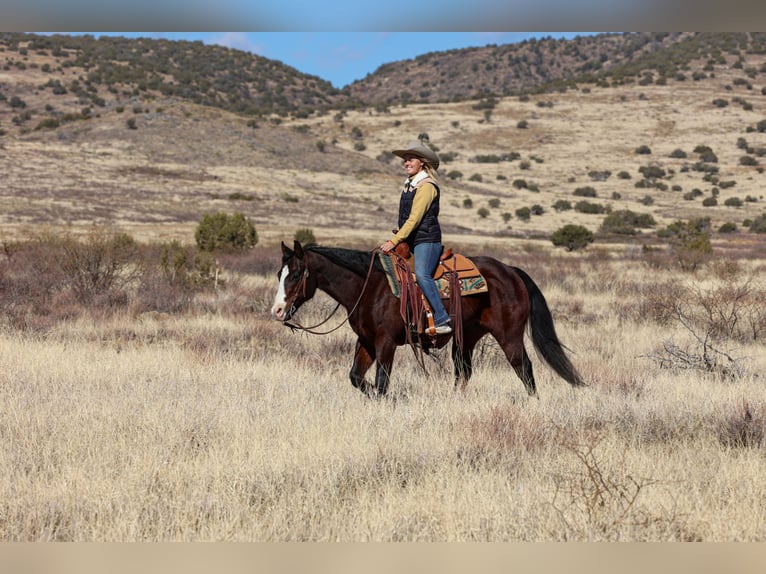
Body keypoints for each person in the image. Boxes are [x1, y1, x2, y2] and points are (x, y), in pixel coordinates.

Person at [379, 141, 452, 335]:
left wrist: (393, 241)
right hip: (411, 240)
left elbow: (414, 219)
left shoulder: (427, 186)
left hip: (427, 240)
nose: (406, 163)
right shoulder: (410, 185)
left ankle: (441, 316)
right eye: (405, 159)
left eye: (410, 159)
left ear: (422, 162)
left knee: (421, 274)